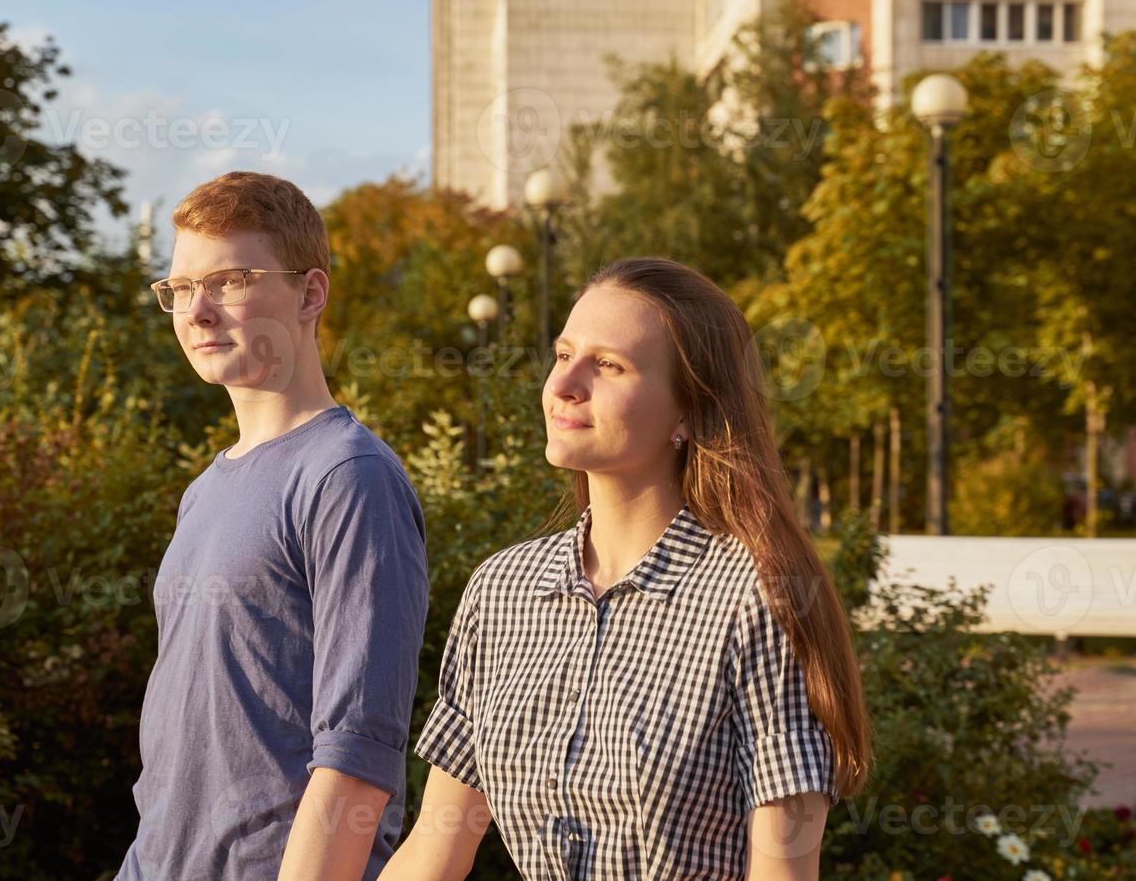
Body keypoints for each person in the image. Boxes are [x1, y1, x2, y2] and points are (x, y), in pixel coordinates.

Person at [381, 256, 872, 880]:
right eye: (563, 355)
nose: (564, 385)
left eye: (608, 365)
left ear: (688, 414)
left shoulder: (757, 600)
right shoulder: (500, 592)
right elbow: (434, 851)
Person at [116, 172, 428, 881]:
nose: (195, 312)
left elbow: (357, 754)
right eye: (178, 289)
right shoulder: (203, 491)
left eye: (228, 280)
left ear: (311, 293)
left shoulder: (350, 477)